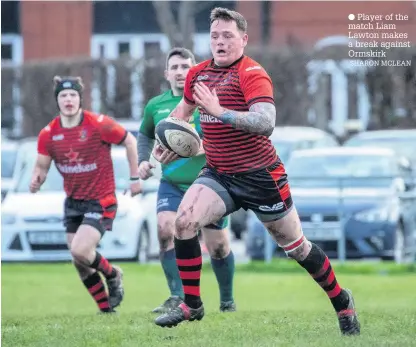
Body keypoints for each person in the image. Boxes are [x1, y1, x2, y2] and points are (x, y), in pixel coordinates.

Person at [152, 7, 361, 335]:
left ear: (244, 40)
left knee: (297, 248)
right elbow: (180, 116)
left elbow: (266, 123)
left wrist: (220, 111)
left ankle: (342, 300)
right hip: (219, 173)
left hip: (261, 176)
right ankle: (192, 305)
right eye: (215, 36)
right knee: (184, 222)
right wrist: (167, 140)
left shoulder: (252, 73)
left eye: (228, 36)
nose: (220, 42)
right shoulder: (198, 76)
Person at [30, 76, 141, 313]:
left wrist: (134, 178)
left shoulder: (98, 124)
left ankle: (113, 274)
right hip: (73, 202)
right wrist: (36, 178)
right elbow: (41, 165)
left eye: (73, 95)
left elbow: (130, 141)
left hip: (101, 200)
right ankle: (106, 310)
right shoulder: (49, 133)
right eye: (63, 95)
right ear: (57, 100)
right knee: (79, 261)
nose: (68, 99)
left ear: (80, 98)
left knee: (80, 250)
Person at [138, 47, 236, 314]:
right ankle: (177, 296)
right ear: (166, 73)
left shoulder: (207, 99)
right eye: (175, 67)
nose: (180, 72)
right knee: (165, 230)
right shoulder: (156, 105)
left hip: (209, 183)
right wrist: (143, 161)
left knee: (218, 246)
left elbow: (226, 135)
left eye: (185, 67)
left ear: (195, 70)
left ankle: (227, 300)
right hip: (172, 184)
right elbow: (145, 134)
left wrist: (196, 147)